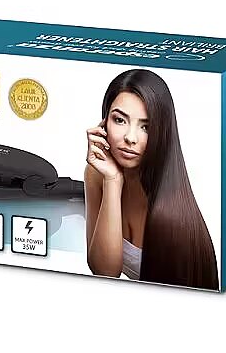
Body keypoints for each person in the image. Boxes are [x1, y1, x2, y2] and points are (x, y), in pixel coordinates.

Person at [84, 69, 218, 290]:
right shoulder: (97, 173)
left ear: (161, 132)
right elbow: (105, 272)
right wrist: (113, 180)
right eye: (120, 120)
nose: (130, 138)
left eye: (146, 127)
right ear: (104, 122)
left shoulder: (172, 214)